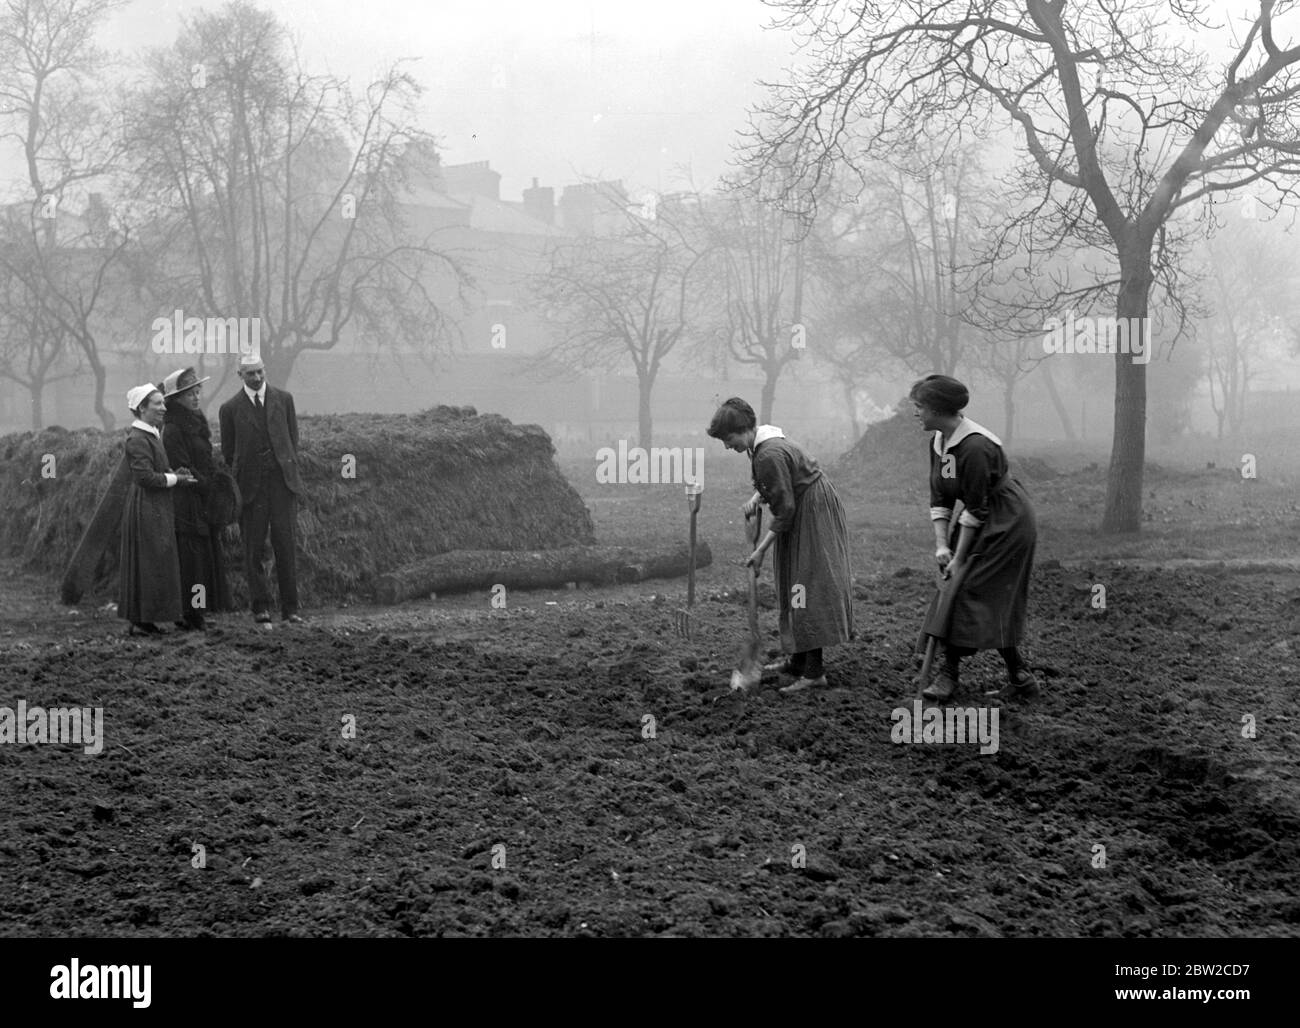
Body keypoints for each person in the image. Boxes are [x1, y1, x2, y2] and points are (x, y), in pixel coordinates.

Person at [706, 397, 854, 693]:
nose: (726, 445)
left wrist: (760, 550)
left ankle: (814, 673)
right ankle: (798, 662)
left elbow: (785, 509)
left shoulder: (767, 454)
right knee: (793, 583)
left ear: (745, 429)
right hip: (802, 506)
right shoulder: (761, 447)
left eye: (729, 438)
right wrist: (758, 497)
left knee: (806, 585)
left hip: (810, 512)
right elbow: (781, 482)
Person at [911, 374, 1038, 701]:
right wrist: (942, 546)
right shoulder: (939, 443)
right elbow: (941, 498)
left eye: (920, 407)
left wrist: (958, 557)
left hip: (1006, 521)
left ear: (938, 410)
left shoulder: (977, 447)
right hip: (978, 517)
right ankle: (1020, 676)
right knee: (964, 587)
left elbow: (977, 508)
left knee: (963, 588)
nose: (916, 413)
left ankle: (949, 674)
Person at [218, 353, 305, 625]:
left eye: (259, 372)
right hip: (252, 490)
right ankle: (261, 608)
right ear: (240, 375)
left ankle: (291, 609)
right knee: (253, 549)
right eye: (250, 373)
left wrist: (285, 471)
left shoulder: (284, 400)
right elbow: (231, 451)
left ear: (264, 370)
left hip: (282, 485)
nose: (256, 377)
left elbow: (292, 440)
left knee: (286, 546)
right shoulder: (230, 409)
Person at [118, 384, 197, 636]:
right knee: (150, 561)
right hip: (146, 506)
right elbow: (145, 479)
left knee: (155, 561)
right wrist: (176, 480)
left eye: (163, 403)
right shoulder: (137, 439)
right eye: (157, 404)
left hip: (155, 505)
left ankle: (147, 619)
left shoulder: (151, 433)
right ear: (142, 408)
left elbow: (155, 472)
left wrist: (173, 474)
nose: (164, 408)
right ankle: (142, 622)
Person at [161, 366, 229, 630]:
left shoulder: (196, 422)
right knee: (192, 561)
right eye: (189, 393)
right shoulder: (174, 430)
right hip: (187, 501)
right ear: (176, 399)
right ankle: (190, 614)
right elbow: (182, 466)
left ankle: (200, 610)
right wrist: (207, 484)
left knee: (203, 557)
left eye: (197, 391)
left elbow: (206, 458)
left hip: (202, 498)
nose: (196, 397)